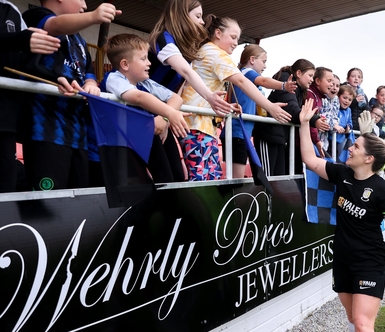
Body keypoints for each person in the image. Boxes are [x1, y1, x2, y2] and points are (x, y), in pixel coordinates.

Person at [299, 97, 385, 332]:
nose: (350, 147)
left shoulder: (383, 190)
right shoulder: (342, 173)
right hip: (342, 258)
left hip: (369, 261)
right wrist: (305, 124)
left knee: (362, 324)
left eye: (356, 146)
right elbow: (309, 159)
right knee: (352, 320)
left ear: (369, 159)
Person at [21, 0, 120, 191]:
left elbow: (89, 72)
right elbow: (54, 24)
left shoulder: (79, 41)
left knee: (77, 199)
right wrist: (93, 17)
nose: (84, 4)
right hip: (45, 131)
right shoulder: (35, 17)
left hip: (78, 134)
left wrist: (91, 84)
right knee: (48, 203)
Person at [179, 14, 290, 181]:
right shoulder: (217, 54)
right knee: (202, 180)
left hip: (200, 125)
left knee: (210, 177)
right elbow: (241, 81)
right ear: (218, 33)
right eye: (232, 37)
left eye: (237, 38)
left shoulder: (207, 51)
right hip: (197, 125)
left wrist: (228, 106)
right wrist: (270, 106)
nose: (236, 43)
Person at [147, 0, 235, 181]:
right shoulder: (163, 38)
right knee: (165, 178)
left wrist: (166, 116)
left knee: (177, 178)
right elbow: (186, 72)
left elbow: (178, 90)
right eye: (198, 16)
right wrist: (209, 96)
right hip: (142, 111)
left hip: (159, 113)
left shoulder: (184, 50)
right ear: (181, 15)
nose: (202, 22)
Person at [85, 34, 190, 183]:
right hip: (110, 148)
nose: (149, 63)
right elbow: (139, 98)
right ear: (125, 64)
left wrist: (164, 119)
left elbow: (176, 98)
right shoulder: (114, 78)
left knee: (176, 176)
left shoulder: (145, 82)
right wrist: (170, 113)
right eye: (143, 59)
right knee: (158, 178)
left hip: (136, 138)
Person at [0, 0, 60, 193]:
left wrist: (58, 79)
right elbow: (19, 40)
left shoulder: (10, 9)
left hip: (5, 119)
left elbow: (25, 62)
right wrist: (18, 39)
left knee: (5, 187)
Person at [223, 43, 296, 178]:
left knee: (237, 177)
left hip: (242, 133)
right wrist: (283, 85)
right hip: (237, 131)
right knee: (236, 179)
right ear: (252, 60)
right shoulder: (245, 73)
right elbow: (264, 81)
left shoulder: (245, 77)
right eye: (263, 61)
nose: (265, 65)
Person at [253, 59, 327, 176]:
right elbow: (292, 109)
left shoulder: (299, 90)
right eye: (310, 75)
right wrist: (315, 120)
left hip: (280, 137)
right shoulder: (287, 82)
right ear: (298, 73)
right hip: (268, 134)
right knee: (266, 177)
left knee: (279, 178)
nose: (312, 80)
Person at [307, 66, 334, 158]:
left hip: (311, 139)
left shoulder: (319, 97)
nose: (332, 85)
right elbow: (309, 118)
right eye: (329, 81)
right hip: (305, 140)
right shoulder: (310, 94)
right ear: (318, 81)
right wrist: (316, 140)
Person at [329, 84, 355, 163]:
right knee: (330, 159)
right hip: (330, 138)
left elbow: (350, 122)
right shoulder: (334, 107)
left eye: (350, 100)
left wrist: (348, 127)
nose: (347, 101)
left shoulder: (349, 110)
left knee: (339, 160)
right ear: (338, 96)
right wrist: (336, 126)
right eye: (344, 98)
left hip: (341, 140)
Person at [345, 67, 368, 132]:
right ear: (347, 79)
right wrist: (355, 101)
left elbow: (366, 109)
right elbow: (342, 106)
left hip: (359, 127)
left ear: (361, 80)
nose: (356, 78)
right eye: (353, 76)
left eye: (359, 77)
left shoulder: (363, 95)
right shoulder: (344, 91)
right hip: (347, 126)